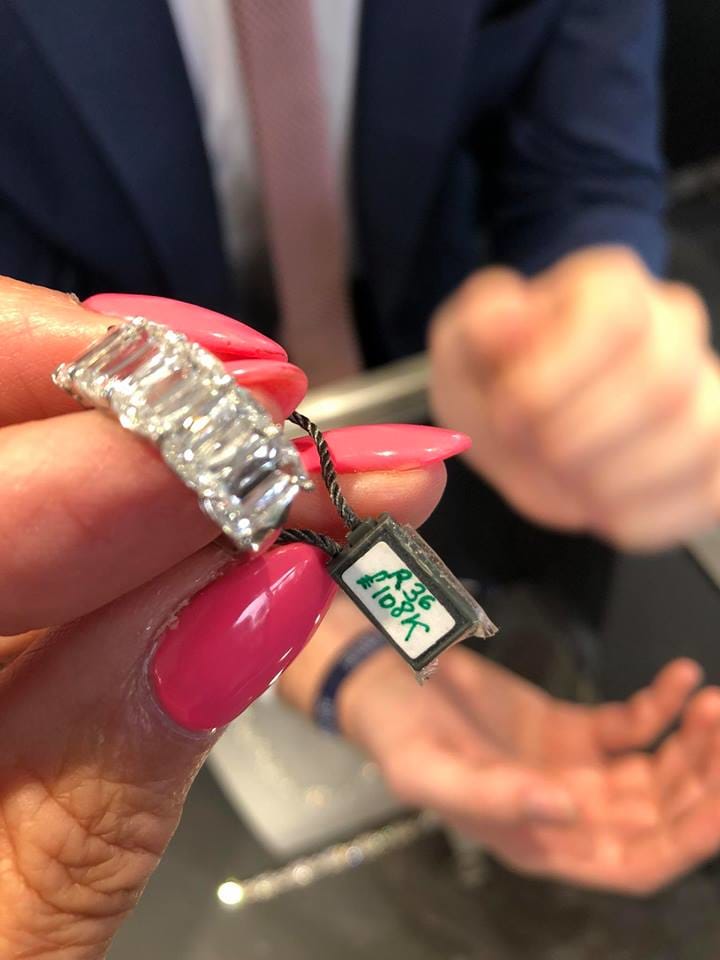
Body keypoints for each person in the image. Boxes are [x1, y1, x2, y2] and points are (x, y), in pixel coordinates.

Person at [1, 0, 720, 923]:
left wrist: (587, 317)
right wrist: (335, 664)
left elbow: (583, 167)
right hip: (115, 481)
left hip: (461, 448)